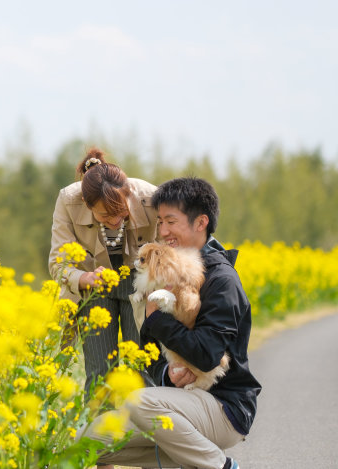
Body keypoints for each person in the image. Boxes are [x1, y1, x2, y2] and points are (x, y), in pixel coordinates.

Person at [89, 177, 262, 469]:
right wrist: (168, 374)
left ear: (201, 222)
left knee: (140, 401)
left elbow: (207, 356)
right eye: (160, 222)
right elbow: (150, 353)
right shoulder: (164, 276)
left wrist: (156, 317)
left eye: (171, 221)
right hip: (179, 404)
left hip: (223, 407)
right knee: (84, 440)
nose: (163, 231)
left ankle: (220, 466)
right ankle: (188, 459)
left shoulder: (222, 280)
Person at [48, 147, 159, 394]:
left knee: (141, 368)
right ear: (87, 204)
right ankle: (100, 420)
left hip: (140, 283)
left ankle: (147, 419)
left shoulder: (151, 197)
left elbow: (171, 247)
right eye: (106, 215)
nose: (116, 220)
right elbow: (58, 263)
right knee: (100, 373)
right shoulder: (68, 200)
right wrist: (84, 278)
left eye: (121, 211)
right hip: (94, 286)